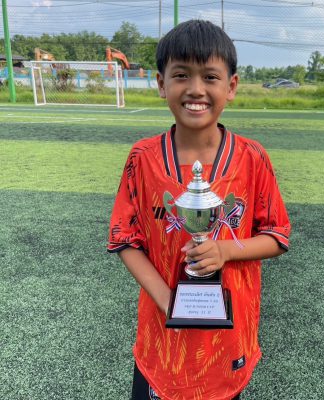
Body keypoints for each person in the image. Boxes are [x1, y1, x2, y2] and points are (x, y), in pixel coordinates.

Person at [107, 19, 291, 400]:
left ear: (231, 86)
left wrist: (225, 250)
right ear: (161, 84)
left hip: (227, 341)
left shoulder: (252, 158)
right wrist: (167, 300)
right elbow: (124, 238)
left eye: (209, 76)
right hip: (162, 339)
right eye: (181, 75)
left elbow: (277, 234)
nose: (195, 89)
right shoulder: (142, 158)